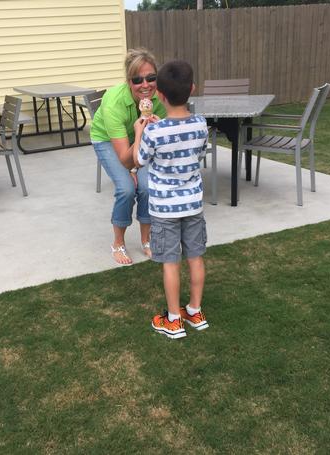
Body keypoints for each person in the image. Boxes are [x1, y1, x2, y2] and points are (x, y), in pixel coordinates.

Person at [133, 60, 209, 339]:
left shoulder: (154, 131)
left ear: (159, 96)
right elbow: (200, 152)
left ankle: (174, 319)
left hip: (164, 210)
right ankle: (195, 311)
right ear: (192, 89)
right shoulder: (201, 124)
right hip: (193, 205)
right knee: (196, 257)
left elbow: (139, 160)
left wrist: (140, 131)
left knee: (171, 262)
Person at [90, 48, 166, 266]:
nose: (145, 85)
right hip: (106, 140)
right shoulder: (114, 101)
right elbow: (125, 158)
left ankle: (146, 240)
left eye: (151, 78)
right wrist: (130, 168)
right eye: (137, 80)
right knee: (126, 188)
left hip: (138, 138)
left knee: (147, 186)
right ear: (128, 81)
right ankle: (118, 243)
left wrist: (157, 128)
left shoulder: (157, 99)